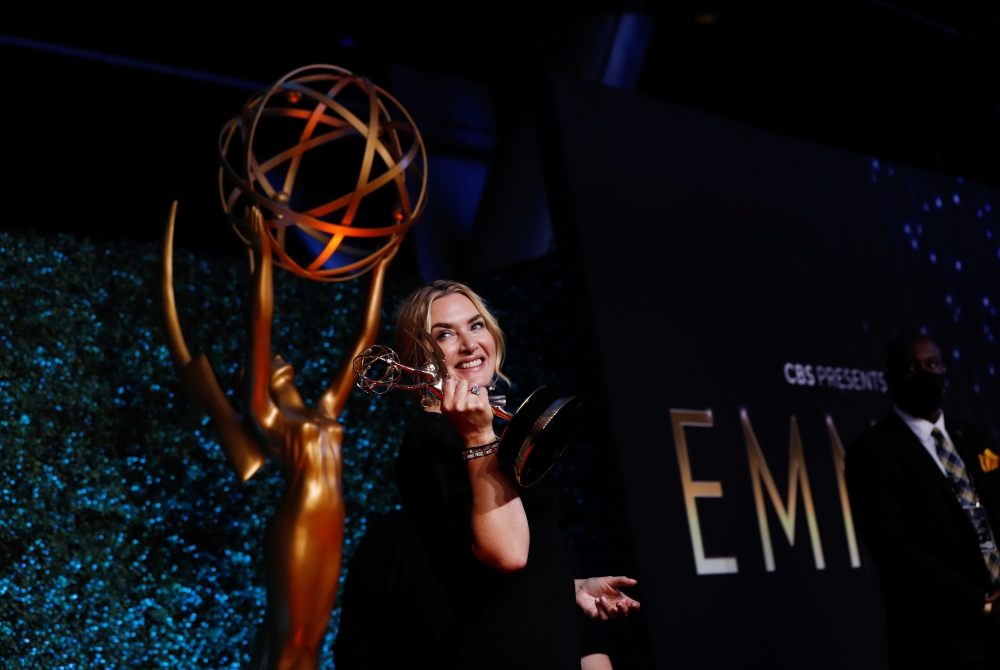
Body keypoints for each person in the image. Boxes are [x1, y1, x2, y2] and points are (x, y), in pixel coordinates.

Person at [392, 280, 638, 669]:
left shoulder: (493, 432)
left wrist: (571, 591)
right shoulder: (433, 438)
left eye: (476, 325)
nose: (470, 344)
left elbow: (539, 544)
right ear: (420, 357)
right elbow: (506, 555)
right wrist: (477, 436)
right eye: (445, 335)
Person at [846, 331, 1000, 668]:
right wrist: (981, 603)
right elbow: (894, 549)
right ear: (890, 379)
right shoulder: (871, 452)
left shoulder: (976, 437)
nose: (924, 374)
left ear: (944, 370)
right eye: (911, 368)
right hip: (940, 640)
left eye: (932, 364)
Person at [334, 509, 615, 670]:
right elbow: (355, 646)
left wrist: (570, 588)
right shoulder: (394, 535)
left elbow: (587, 647)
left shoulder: (541, 531)